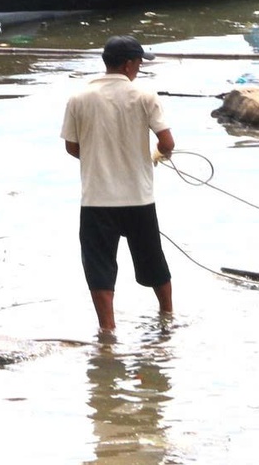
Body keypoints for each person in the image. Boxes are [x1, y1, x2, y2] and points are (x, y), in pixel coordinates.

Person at [61, 35, 175, 333]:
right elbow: (167, 143)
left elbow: (72, 147)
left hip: (97, 200)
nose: (139, 68)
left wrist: (98, 158)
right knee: (152, 259)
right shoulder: (145, 96)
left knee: (99, 266)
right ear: (127, 64)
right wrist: (158, 154)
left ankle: (108, 330)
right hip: (138, 198)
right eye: (138, 63)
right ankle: (167, 316)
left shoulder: (79, 98)